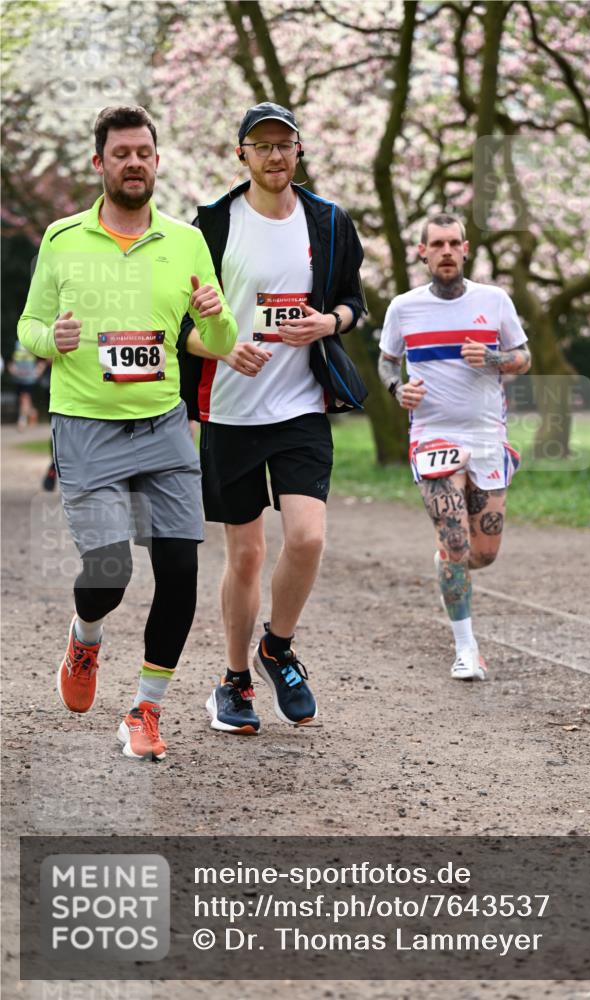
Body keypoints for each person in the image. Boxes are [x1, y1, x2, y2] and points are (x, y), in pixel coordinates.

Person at [18, 105, 237, 760]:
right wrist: (48, 341)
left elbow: (218, 341)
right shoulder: (62, 239)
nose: (134, 162)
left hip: (164, 425)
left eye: (143, 151)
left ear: (156, 161)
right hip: (86, 426)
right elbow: (27, 328)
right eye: (121, 153)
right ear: (99, 164)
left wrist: (218, 316)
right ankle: (85, 637)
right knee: (110, 570)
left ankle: (145, 709)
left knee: (178, 567)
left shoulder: (187, 242)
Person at [181, 101, 365, 735]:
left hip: (299, 407)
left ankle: (276, 648)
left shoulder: (330, 222)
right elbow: (179, 328)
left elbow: (352, 303)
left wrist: (327, 322)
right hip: (230, 412)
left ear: (298, 151)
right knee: (248, 555)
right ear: (243, 155)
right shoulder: (210, 226)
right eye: (262, 146)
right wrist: (222, 344)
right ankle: (233, 682)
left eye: (285, 145)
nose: (275, 156)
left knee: (308, 538)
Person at [378, 213, 530, 681]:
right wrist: (395, 390)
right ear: (422, 252)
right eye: (436, 244)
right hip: (432, 437)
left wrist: (494, 358)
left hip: (486, 436)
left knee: (483, 553)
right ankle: (467, 649)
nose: (445, 251)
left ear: (465, 249)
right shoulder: (403, 308)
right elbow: (387, 362)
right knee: (457, 542)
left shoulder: (494, 300)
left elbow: (523, 359)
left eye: (453, 243)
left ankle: (449, 560)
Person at [8, 340, 46, 429]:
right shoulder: (16, 343)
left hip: (29, 378)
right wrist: (12, 368)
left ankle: (22, 420)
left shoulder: (32, 342)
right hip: (18, 377)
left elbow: (42, 360)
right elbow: (11, 360)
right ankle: (33, 413)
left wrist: (38, 372)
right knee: (23, 399)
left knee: (25, 398)